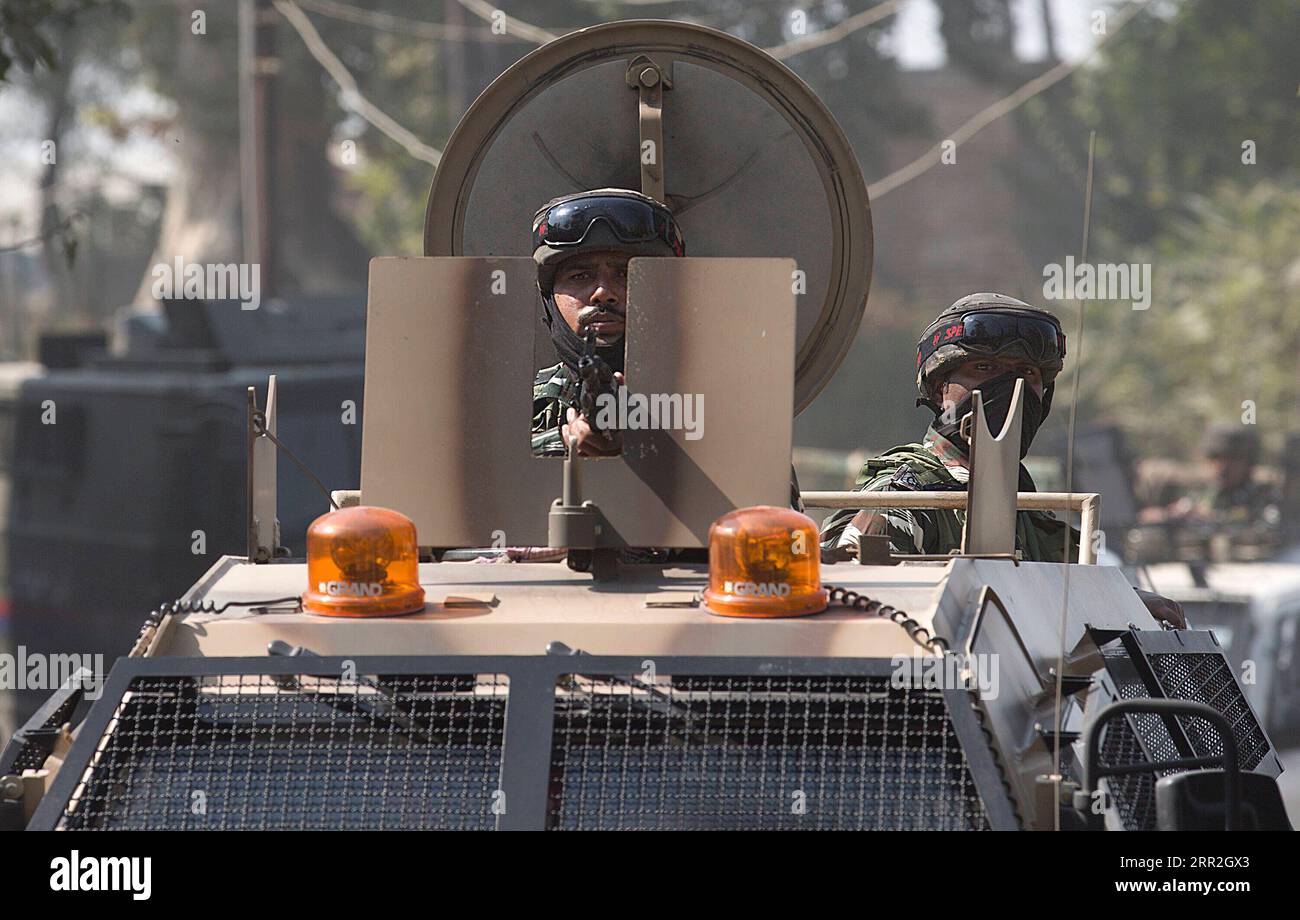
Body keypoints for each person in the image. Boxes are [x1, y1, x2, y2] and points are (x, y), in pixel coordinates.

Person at [820, 293, 1186, 627]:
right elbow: (852, 601)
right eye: (985, 370)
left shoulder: (1029, 512)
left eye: (1027, 374)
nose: (1012, 389)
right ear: (939, 389)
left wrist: (1121, 603)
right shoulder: (908, 493)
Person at [531, 188, 685, 458]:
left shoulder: (711, 405)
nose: (603, 293)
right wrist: (560, 445)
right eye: (580, 276)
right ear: (549, 300)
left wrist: (651, 444)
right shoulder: (512, 409)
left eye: (625, 275)